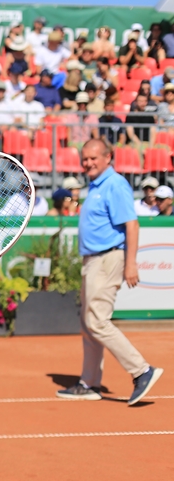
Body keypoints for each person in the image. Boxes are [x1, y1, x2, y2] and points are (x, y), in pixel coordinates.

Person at [56, 139, 163, 405]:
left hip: (107, 259)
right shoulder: (96, 186)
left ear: (108, 157)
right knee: (88, 323)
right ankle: (89, 383)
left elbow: (132, 225)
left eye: (94, 158)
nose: (88, 163)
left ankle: (141, 370)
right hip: (93, 261)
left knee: (97, 321)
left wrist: (131, 263)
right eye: (85, 159)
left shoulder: (115, 184)